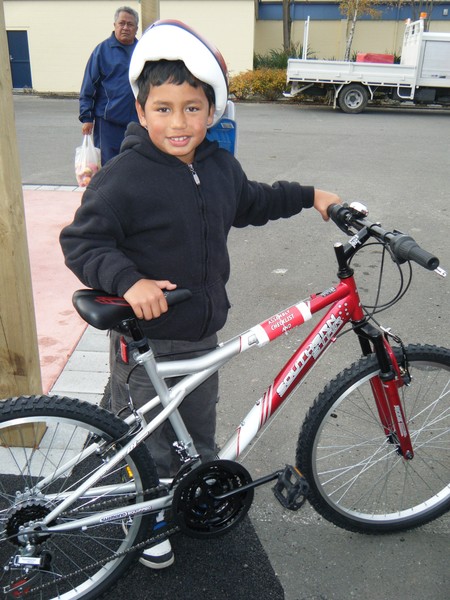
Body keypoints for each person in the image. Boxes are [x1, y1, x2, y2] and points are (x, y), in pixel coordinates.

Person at [60, 20, 341, 570]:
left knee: (198, 428)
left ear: (211, 112)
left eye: (192, 108)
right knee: (152, 440)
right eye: (163, 108)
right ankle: (148, 516)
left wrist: (312, 196)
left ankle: (192, 492)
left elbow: (254, 201)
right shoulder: (125, 176)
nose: (179, 122)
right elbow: (83, 240)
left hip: (201, 330)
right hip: (150, 339)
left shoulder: (217, 167)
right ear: (141, 113)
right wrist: (129, 281)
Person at [79, 6, 139, 165]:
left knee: (134, 164)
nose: (125, 27)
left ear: (136, 28)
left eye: (130, 24)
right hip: (108, 123)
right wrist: (87, 117)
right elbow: (88, 86)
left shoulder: (142, 52)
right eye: (122, 23)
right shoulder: (102, 51)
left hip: (137, 122)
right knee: (108, 167)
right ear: (115, 25)